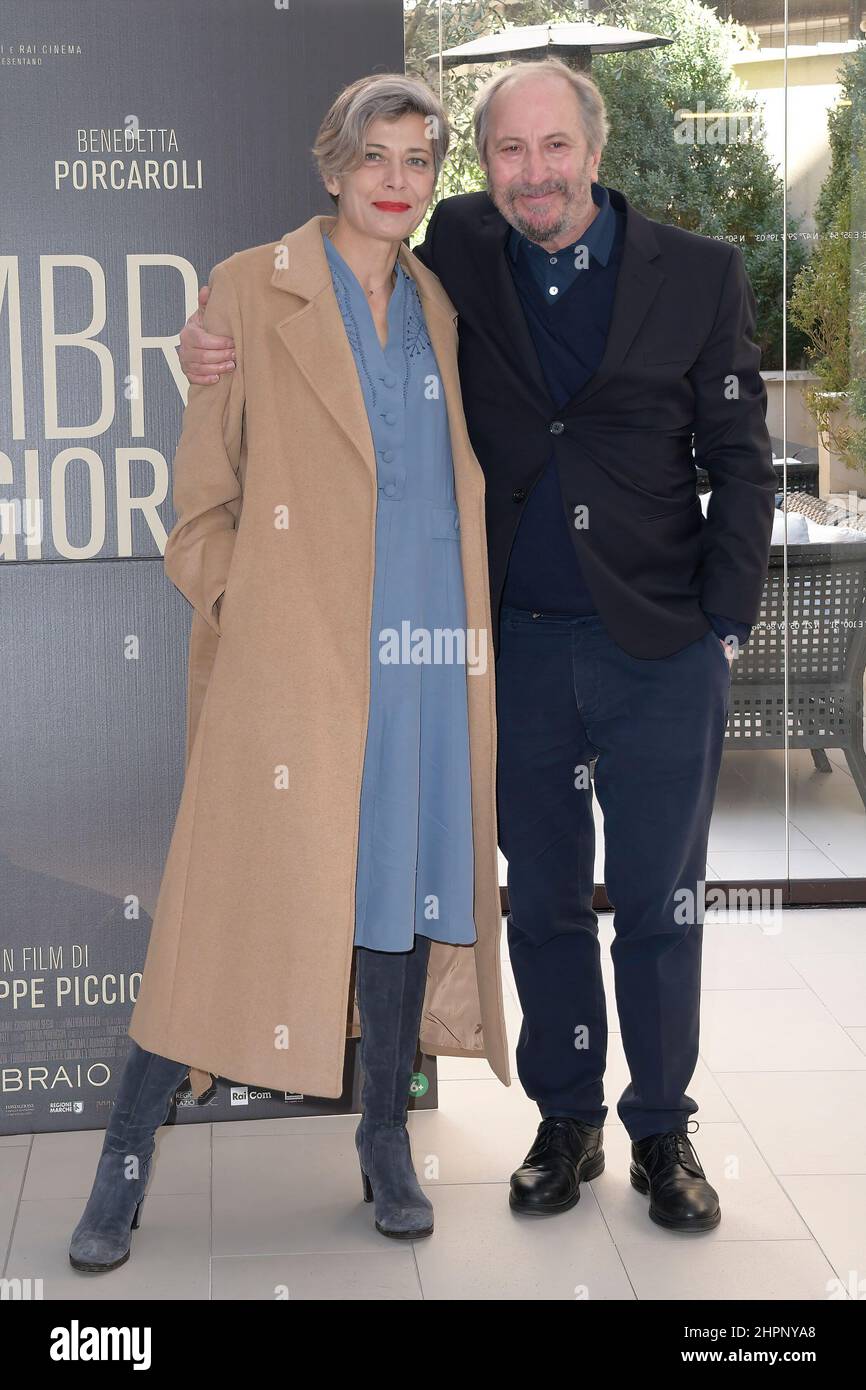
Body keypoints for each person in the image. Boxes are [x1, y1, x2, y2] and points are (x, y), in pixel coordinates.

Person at [178, 59, 777, 1235]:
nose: (532, 173)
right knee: (543, 902)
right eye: (508, 151)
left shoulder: (699, 273)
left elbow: (741, 456)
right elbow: (316, 256)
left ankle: (660, 1127)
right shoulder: (452, 245)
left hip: (659, 649)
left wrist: (721, 619)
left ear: (593, 153)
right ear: (484, 168)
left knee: (661, 901)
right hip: (511, 651)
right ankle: (567, 1121)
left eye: (553, 149)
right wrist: (204, 337)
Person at [68, 73, 509, 1274]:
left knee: (403, 897)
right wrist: (243, 607)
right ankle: (120, 1159)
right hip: (296, 673)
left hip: (424, 660)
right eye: (375, 155)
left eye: (419, 161)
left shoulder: (435, 300)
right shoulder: (246, 291)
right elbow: (195, 503)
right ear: (331, 165)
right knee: (220, 915)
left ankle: (381, 1141)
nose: (397, 179)